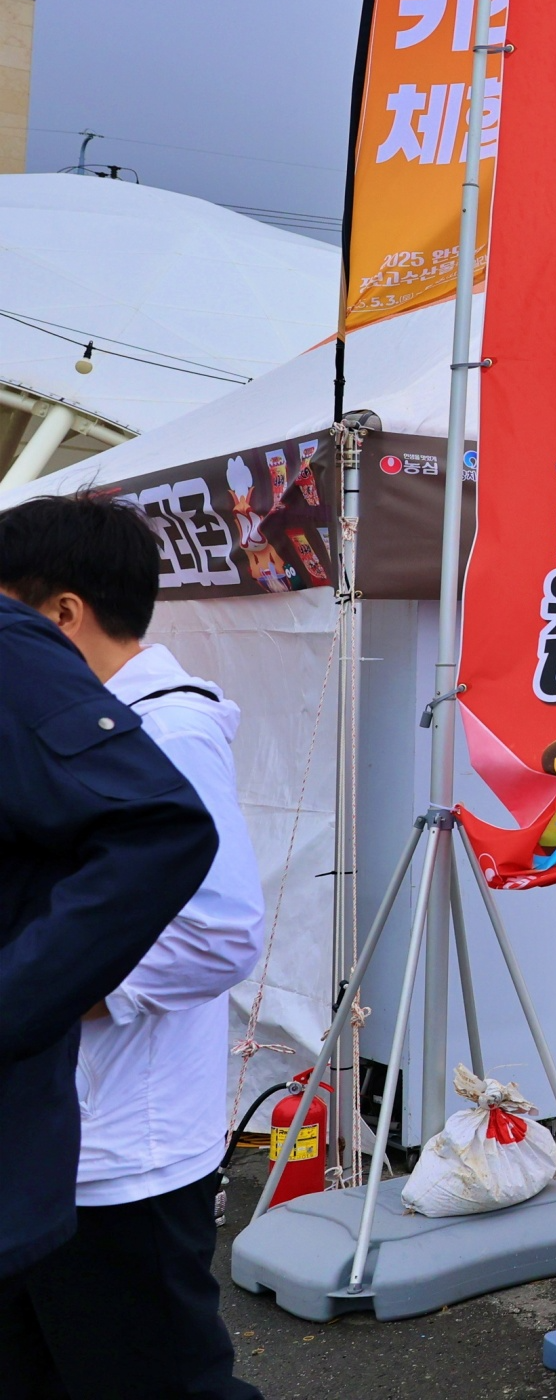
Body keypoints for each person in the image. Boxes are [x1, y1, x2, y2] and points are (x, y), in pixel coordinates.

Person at [0, 497, 232, 1386]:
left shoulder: (169, 727)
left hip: (123, 1147)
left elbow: (220, 935)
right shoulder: (82, 721)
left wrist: (44, 991)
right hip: (64, 1135)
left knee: (159, 1377)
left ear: (63, 613)